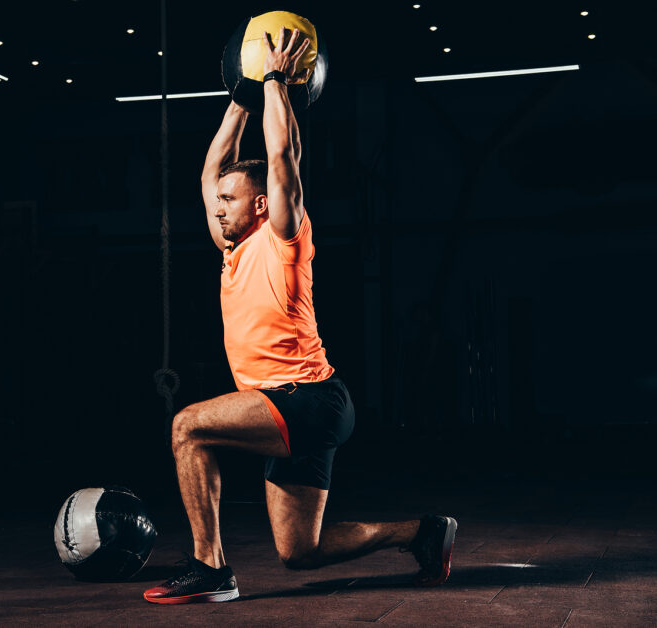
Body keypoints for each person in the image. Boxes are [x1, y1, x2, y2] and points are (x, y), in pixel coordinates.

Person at [143, 27, 456, 605]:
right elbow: (211, 169)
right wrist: (240, 96)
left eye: (229, 201)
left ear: (261, 203)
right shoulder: (231, 248)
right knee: (298, 552)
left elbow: (283, 154)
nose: (218, 208)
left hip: (305, 398)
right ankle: (423, 533)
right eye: (217, 203)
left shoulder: (283, 234)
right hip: (298, 405)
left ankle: (210, 569)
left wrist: (275, 82)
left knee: (187, 427)